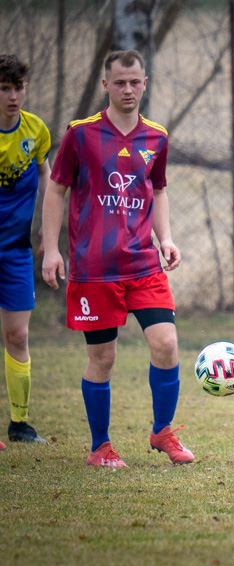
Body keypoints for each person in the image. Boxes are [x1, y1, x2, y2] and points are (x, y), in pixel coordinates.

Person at [41, 50, 193, 468]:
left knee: (166, 344)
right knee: (103, 358)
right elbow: (56, 189)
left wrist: (166, 239)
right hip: (94, 268)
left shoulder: (156, 137)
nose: (128, 89)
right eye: (120, 82)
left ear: (146, 83)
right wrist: (51, 248)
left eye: (135, 81)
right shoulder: (81, 134)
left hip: (144, 263)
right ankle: (100, 448)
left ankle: (162, 432)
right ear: (105, 85)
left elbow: (158, 191)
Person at [0, 54, 51, 449]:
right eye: (4, 88)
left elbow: (47, 174)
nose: (12, 96)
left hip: (16, 250)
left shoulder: (36, 130)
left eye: (18, 87)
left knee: (17, 334)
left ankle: (20, 424)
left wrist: (48, 233)